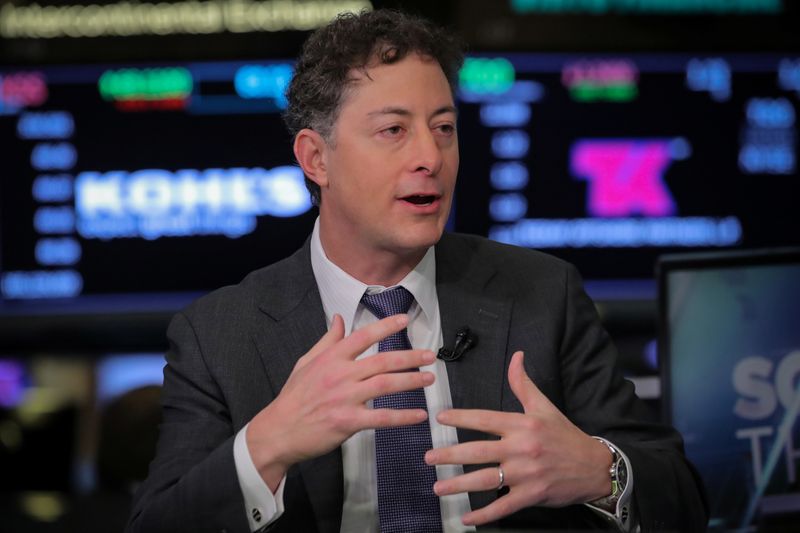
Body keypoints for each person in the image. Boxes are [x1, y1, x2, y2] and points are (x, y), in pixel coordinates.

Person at [127, 9, 707, 533]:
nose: (430, 157)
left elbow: (682, 496)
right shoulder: (218, 334)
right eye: (393, 130)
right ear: (316, 158)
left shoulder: (542, 294)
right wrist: (267, 445)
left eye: (444, 127)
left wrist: (601, 471)